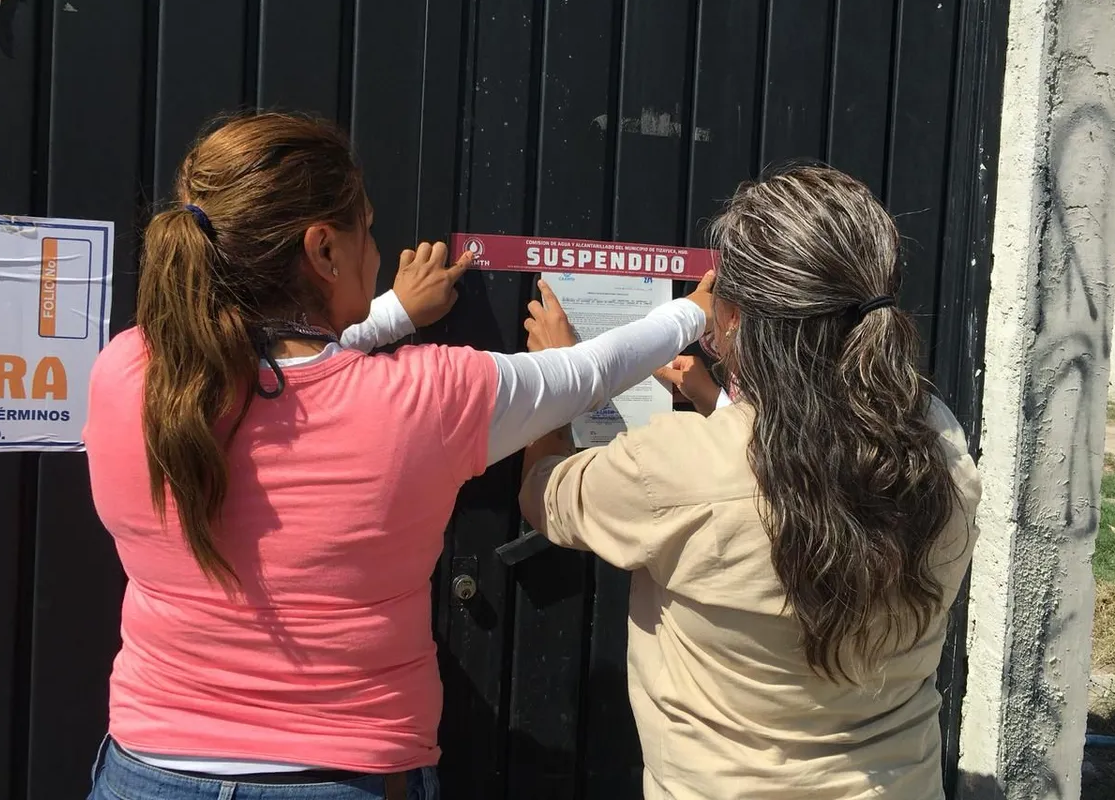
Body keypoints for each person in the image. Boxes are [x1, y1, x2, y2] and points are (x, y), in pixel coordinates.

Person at [82, 111, 716, 800]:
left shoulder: (129, 372)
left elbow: (277, 378)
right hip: (343, 778)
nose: (376, 251)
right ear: (323, 249)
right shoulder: (425, 399)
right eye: (368, 230)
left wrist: (389, 315)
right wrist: (695, 312)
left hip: (146, 772)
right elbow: (586, 375)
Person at [519, 163, 983, 800]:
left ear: (730, 318)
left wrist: (558, 372)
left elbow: (544, 491)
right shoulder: (939, 439)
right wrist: (714, 403)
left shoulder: (672, 469)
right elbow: (809, 468)